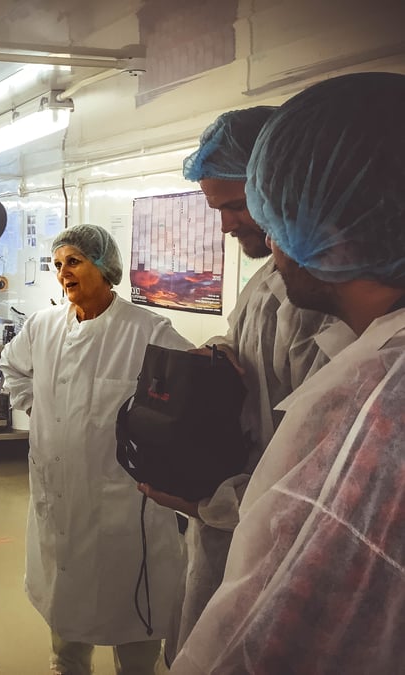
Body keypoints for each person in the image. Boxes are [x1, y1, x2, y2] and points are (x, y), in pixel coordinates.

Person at [172, 71, 405, 673]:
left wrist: (210, 504)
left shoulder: (369, 397)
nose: (247, 231)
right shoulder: (280, 292)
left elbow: (293, 608)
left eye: (256, 209)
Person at [136, 107, 352, 656]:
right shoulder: (268, 282)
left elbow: (320, 476)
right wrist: (215, 358)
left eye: (235, 205)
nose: (227, 225)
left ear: (286, 189)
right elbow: (251, 358)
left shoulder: (320, 305)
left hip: (274, 552)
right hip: (234, 536)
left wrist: (209, 504)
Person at [0, 225, 194, 675]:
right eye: (59, 263)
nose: (64, 272)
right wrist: (36, 405)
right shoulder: (43, 327)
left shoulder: (146, 329)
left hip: (125, 511)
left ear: (104, 267)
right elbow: (12, 368)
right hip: (60, 500)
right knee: (67, 621)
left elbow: (190, 394)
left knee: (136, 627)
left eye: (75, 261)